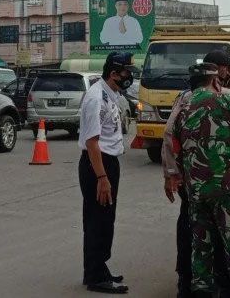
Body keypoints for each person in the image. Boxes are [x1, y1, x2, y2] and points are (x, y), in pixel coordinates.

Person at [172, 62, 230, 298]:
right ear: (215, 81)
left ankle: (201, 292)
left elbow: (176, 148)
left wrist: (180, 178)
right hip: (229, 189)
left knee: (201, 248)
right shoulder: (229, 101)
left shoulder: (183, 108)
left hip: (197, 192)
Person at [78, 51, 134, 294]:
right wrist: (102, 178)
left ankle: (97, 268)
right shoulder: (96, 98)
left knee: (103, 219)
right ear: (113, 73)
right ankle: (95, 276)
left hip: (107, 162)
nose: (129, 76)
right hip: (97, 165)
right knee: (98, 221)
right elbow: (92, 142)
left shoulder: (111, 93)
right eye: (126, 72)